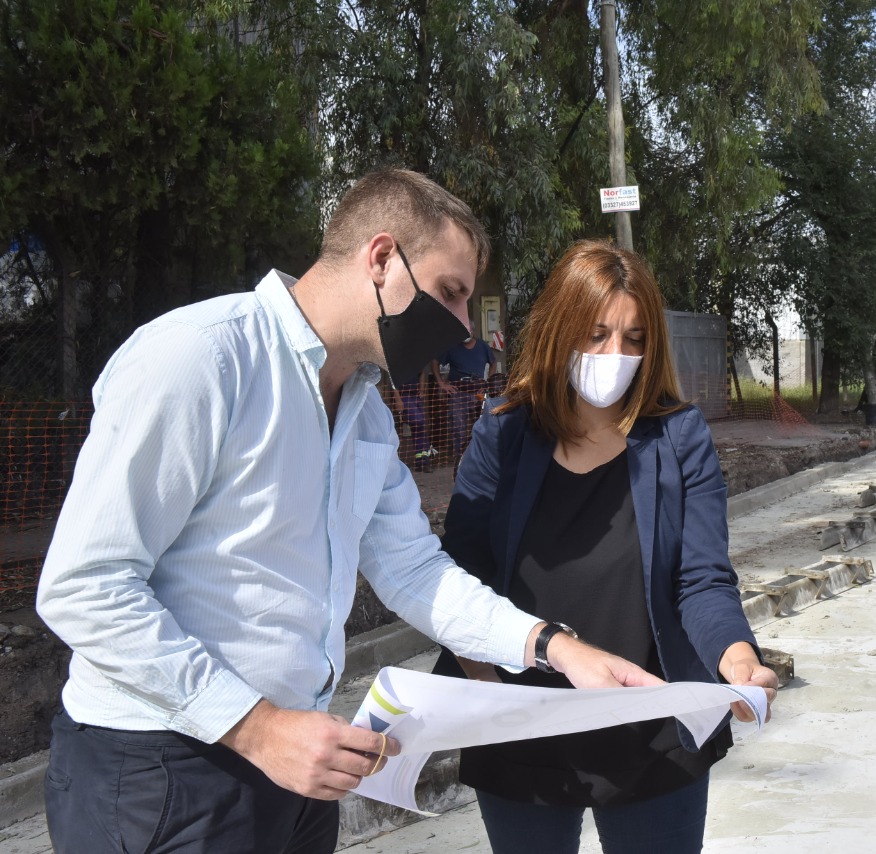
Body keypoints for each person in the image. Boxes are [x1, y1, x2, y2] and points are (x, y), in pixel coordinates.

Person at [35, 170, 660, 854]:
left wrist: (553, 646)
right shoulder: (201, 360)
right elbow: (84, 587)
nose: (459, 326)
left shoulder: (365, 410)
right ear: (382, 257)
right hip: (164, 770)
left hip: (297, 763)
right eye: (451, 293)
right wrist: (257, 727)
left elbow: (414, 571)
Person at [432, 239, 778, 854]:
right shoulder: (502, 431)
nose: (615, 355)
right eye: (595, 334)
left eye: (634, 339)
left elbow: (702, 578)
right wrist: (486, 692)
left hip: (651, 732)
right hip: (522, 727)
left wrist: (736, 655)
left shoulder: (679, 437)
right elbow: (460, 577)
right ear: (557, 331)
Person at [432, 323, 497, 461]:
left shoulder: (482, 346)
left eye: (468, 330)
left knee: (480, 424)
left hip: (478, 392)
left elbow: (493, 363)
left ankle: (479, 457)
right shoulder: (452, 347)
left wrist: (488, 384)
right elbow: (435, 362)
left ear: (473, 330)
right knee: (458, 426)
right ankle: (460, 457)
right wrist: (441, 383)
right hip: (458, 393)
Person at [391, 366, 438, 470]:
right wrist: (398, 399)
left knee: (420, 427)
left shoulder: (413, 361)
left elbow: (422, 373)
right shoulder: (398, 363)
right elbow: (392, 382)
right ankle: (422, 460)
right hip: (405, 396)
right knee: (418, 422)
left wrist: (421, 389)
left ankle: (422, 460)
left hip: (415, 395)